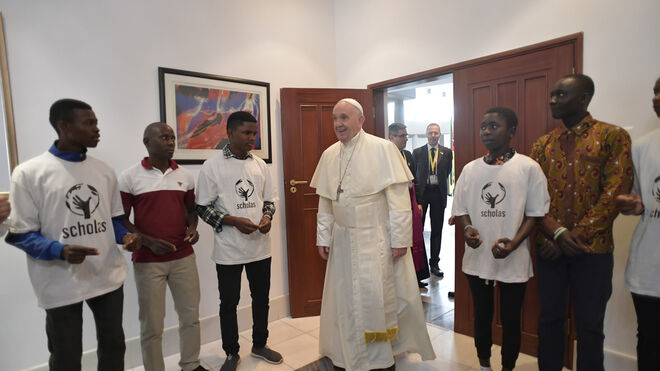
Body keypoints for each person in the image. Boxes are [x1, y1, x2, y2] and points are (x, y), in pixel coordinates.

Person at [4, 98, 141, 371]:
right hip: (60, 280)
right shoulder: (30, 174)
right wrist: (61, 250)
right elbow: (20, 233)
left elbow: (112, 219)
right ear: (64, 126)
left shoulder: (104, 171)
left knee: (114, 344)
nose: (96, 129)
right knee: (66, 355)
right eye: (89, 123)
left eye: (96, 123)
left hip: (107, 274)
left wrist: (126, 236)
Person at [312, 98, 435, 371]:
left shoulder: (383, 149)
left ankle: (380, 358)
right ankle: (347, 353)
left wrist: (401, 239)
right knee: (344, 298)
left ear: (361, 119)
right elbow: (326, 202)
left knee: (375, 299)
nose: (338, 124)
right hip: (342, 239)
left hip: (374, 238)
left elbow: (398, 200)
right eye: (335, 118)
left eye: (344, 117)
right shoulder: (330, 154)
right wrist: (323, 236)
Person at [530, 74, 633, 371]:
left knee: (590, 327)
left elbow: (615, 192)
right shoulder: (543, 145)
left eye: (560, 95)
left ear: (584, 98)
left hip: (593, 252)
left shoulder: (613, 137)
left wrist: (573, 237)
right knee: (549, 322)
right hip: (549, 249)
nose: (552, 100)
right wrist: (557, 234)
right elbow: (534, 199)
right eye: (552, 95)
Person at [453, 107, 549, 371]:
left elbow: (535, 213)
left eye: (494, 126)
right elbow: (461, 209)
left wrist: (515, 243)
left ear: (512, 131)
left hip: (513, 256)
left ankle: (508, 366)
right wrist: (468, 229)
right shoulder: (470, 170)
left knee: (510, 318)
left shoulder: (528, 168)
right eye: (483, 126)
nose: (486, 131)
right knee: (482, 316)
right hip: (478, 256)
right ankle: (484, 363)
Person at [195, 111, 282, 371]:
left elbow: (269, 200)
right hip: (229, 250)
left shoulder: (259, 165)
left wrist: (267, 218)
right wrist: (233, 221)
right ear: (230, 133)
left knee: (261, 299)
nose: (251, 138)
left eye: (254, 133)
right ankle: (231, 352)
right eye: (246, 133)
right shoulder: (212, 166)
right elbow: (202, 207)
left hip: (259, 248)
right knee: (229, 303)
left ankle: (259, 344)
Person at [118, 122, 208, 371]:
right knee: (152, 325)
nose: (171, 142)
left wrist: (193, 228)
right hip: (147, 261)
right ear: (147, 142)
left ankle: (190, 364)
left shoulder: (185, 176)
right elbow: (121, 219)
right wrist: (146, 241)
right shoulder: (129, 176)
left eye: (172, 137)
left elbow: (192, 211)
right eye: (164, 137)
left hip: (183, 257)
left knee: (190, 317)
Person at [615, 75, 660, 371]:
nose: (656, 98)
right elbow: (634, 199)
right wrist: (626, 204)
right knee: (651, 340)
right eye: (655, 92)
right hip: (650, 267)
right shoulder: (642, 146)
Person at [389, 122, 430, 288]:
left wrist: (418, 202)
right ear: (392, 137)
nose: (406, 138)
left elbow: (415, 180)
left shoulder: (407, 154)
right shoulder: (386, 155)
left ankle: (416, 275)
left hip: (411, 201)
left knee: (415, 237)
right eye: (402, 136)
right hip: (395, 204)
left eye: (406, 135)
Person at [413, 123, 452, 278]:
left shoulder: (447, 152)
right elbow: (415, 174)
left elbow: (447, 171)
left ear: (440, 135)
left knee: (437, 229)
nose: (434, 136)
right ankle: (419, 265)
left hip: (438, 193)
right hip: (422, 194)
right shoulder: (417, 152)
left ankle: (434, 263)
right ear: (426, 135)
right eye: (431, 133)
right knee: (419, 229)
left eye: (436, 133)